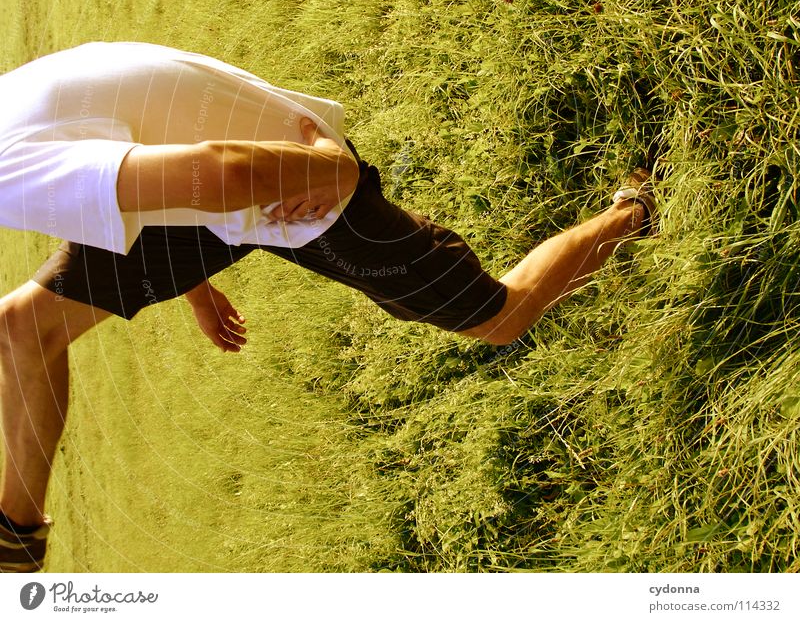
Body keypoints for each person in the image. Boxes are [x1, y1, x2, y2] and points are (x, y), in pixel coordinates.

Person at [0, 42, 655, 572]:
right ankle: (16, 540)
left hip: (292, 180)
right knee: (21, 327)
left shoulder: (5, 173)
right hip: (222, 187)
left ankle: (635, 210)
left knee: (499, 317)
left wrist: (333, 172)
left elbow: (221, 174)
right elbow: (134, 165)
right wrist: (190, 280)